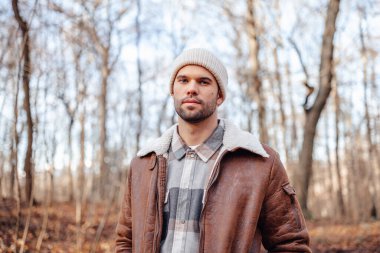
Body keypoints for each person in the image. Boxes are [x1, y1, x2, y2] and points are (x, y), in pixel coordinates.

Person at [115, 48, 311, 252]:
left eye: (203, 81)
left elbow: (291, 244)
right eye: (183, 80)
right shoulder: (144, 164)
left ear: (220, 96)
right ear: (173, 91)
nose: (191, 88)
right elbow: (125, 242)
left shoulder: (262, 163)